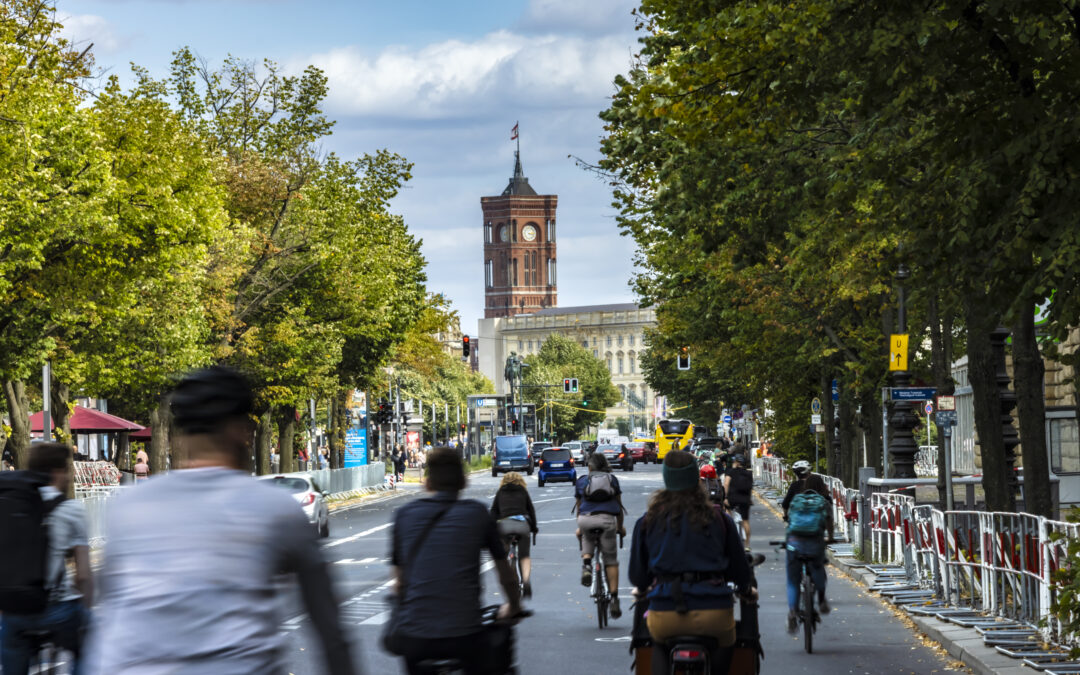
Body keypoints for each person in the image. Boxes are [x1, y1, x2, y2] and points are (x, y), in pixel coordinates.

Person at [84, 366, 357, 675]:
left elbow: (105, 606)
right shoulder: (273, 508)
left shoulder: (128, 506)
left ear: (180, 433)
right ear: (242, 430)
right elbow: (329, 628)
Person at [390, 447, 522, 674]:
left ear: (427, 482)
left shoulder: (404, 515)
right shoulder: (477, 514)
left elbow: (399, 583)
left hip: (416, 636)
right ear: (463, 481)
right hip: (465, 634)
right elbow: (506, 575)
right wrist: (513, 606)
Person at [629, 450, 753, 674]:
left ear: (667, 479)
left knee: (657, 642)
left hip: (665, 613)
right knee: (728, 642)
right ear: (697, 480)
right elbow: (740, 571)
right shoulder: (720, 520)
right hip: (714, 613)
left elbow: (637, 576)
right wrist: (747, 589)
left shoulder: (648, 521)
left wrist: (644, 587)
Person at [0, 443, 93, 675]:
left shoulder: (11, 504)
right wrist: (86, 608)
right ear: (56, 472)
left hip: (15, 609)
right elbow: (83, 575)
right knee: (89, 646)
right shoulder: (71, 509)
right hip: (57, 609)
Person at [780, 459, 833, 634]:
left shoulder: (797, 499)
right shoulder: (823, 501)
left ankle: (793, 611)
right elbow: (829, 521)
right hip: (815, 544)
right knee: (818, 569)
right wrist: (830, 537)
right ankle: (822, 599)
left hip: (794, 543)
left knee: (793, 581)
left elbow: (788, 517)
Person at [573, 452, 626, 619]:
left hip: (586, 519)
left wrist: (580, 527)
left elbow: (579, 506)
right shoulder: (612, 480)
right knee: (610, 561)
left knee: (587, 537)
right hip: (607, 519)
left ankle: (587, 564)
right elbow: (619, 506)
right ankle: (615, 599)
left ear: (589, 466)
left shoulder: (582, 481)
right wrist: (620, 527)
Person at [490, 472, 538, 598]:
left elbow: (494, 511)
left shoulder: (500, 492)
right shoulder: (522, 491)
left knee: (503, 555)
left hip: (504, 526)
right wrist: (534, 528)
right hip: (522, 526)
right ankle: (526, 581)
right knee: (524, 556)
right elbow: (531, 510)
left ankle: (508, 577)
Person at [722, 454, 753, 546]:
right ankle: (747, 545)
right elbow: (750, 487)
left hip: (732, 499)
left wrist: (725, 497)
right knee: (745, 521)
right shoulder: (749, 473)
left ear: (737, 462)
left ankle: (729, 538)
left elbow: (726, 484)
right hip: (745, 499)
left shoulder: (731, 472)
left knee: (727, 513)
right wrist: (749, 499)